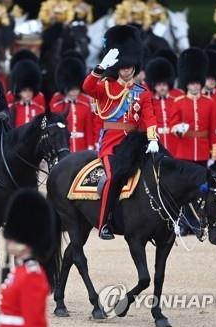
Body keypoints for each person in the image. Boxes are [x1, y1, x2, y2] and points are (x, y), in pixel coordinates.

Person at [82, 25, 158, 240]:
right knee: (113, 177)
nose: (126, 70)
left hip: (134, 143)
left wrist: (152, 138)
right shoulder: (106, 86)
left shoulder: (142, 92)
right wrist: (99, 68)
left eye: (129, 66)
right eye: (122, 66)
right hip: (112, 145)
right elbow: (87, 87)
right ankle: (103, 222)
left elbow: (149, 116)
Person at [170, 48, 216, 236]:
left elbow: (214, 131)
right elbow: (172, 125)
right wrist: (178, 129)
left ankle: (199, 222)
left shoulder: (210, 102)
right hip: (184, 153)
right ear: (186, 84)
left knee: (202, 191)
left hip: (202, 152)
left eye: (197, 83)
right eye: (191, 84)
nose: (195, 87)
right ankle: (186, 223)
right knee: (184, 191)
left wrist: (213, 156)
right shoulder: (178, 102)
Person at [0, 189, 55, 327]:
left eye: (15, 236)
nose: (8, 239)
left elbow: (34, 325)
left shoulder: (32, 276)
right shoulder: (19, 272)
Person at [51, 56, 95, 152]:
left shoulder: (85, 106)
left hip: (81, 146)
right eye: (71, 90)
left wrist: (90, 147)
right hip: (65, 146)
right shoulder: (57, 107)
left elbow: (89, 129)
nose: (74, 93)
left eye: (76, 89)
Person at [145, 57, 177, 155]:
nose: (162, 87)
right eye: (159, 84)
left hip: (173, 140)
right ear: (153, 85)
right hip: (157, 139)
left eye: (164, 84)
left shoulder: (175, 99)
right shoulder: (149, 101)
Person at [8, 59, 45, 128]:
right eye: (24, 90)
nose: (28, 93)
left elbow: (44, 129)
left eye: (30, 90)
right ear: (19, 92)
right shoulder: (11, 109)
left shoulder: (41, 110)